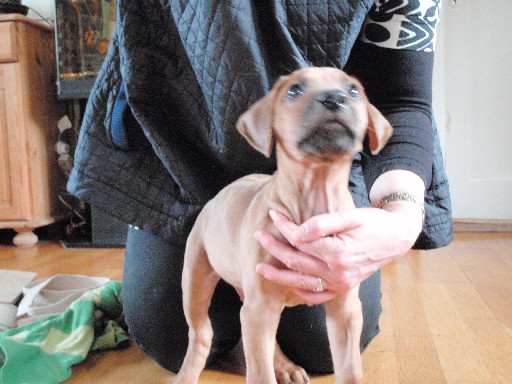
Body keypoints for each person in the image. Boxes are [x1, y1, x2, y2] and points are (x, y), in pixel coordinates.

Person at [68, 0, 452, 375]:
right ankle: (246, 342)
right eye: (300, 92)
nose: (332, 98)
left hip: (310, 174)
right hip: (178, 149)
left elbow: (404, 98)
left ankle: (263, 337)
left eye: (349, 94)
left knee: (320, 342)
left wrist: (401, 220)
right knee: (169, 332)